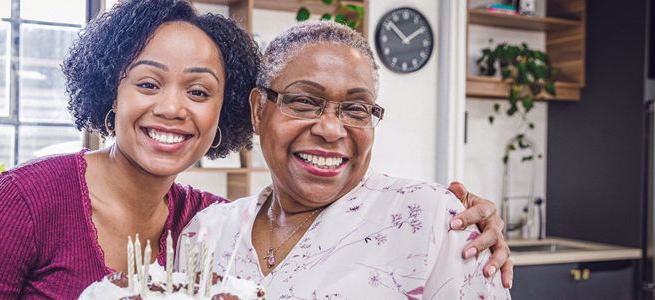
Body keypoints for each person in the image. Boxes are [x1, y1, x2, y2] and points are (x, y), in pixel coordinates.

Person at [0, 0, 508, 298]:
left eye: (199, 91)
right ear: (109, 88)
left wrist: (465, 218)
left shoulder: (199, 225)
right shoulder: (28, 200)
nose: (173, 108)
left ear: (226, 111)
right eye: (147, 82)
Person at [179, 21, 511, 298]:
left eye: (355, 109)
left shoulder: (434, 221)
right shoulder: (207, 232)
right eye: (305, 101)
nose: (331, 129)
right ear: (258, 110)